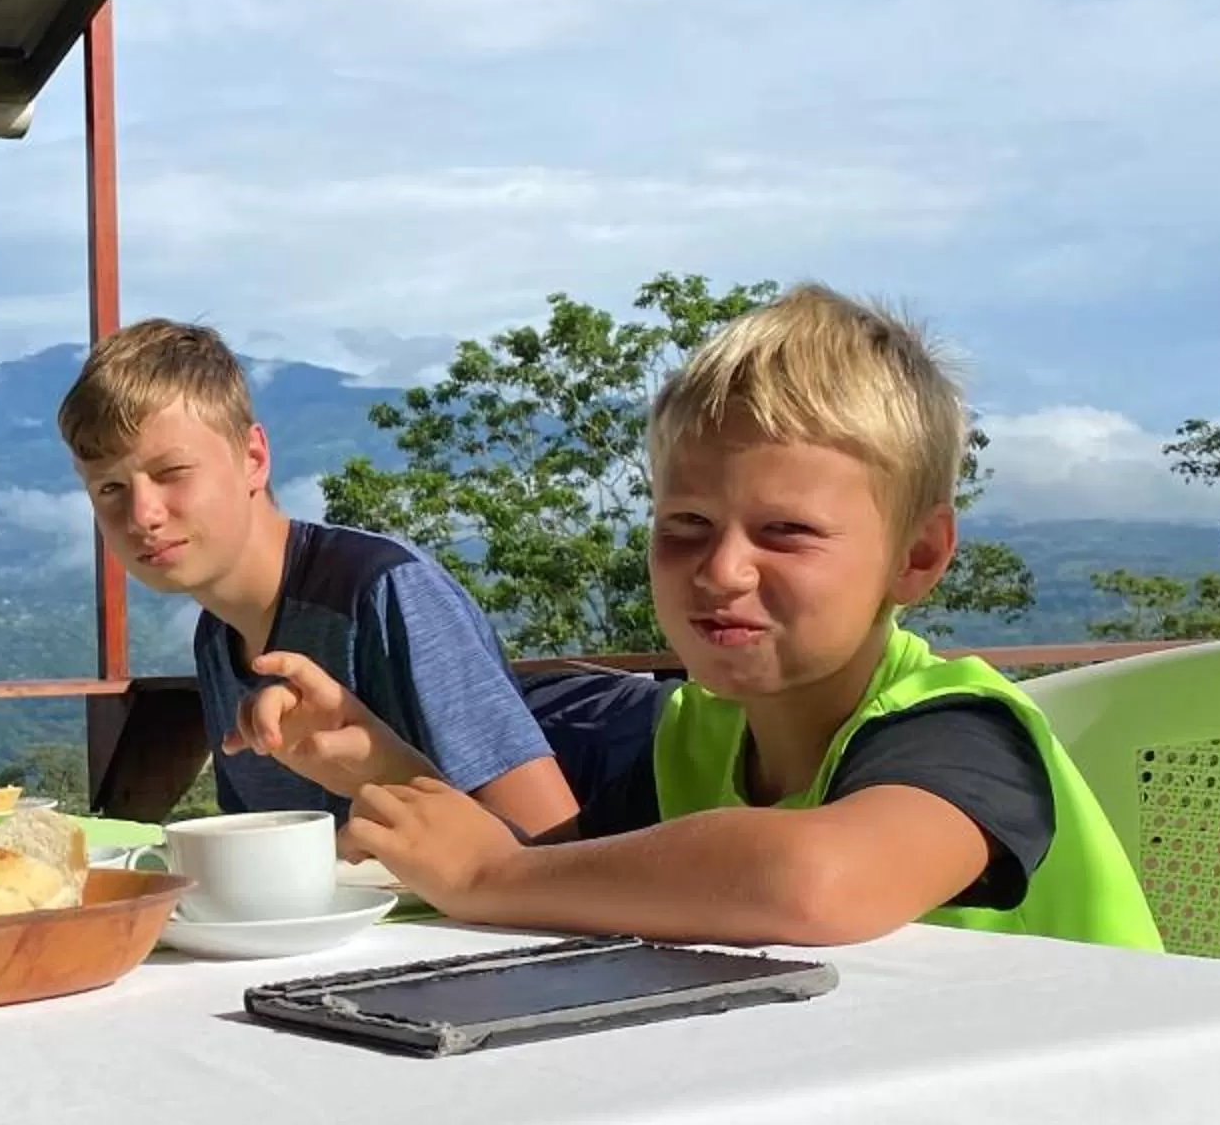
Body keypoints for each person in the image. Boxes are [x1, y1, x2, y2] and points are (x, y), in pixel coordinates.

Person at [232, 286, 1163, 950]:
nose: (720, 570)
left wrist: (491, 879)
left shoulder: (959, 732)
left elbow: (812, 883)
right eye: (685, 526)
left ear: (916, 556)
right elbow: (580, 874)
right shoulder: (697, 738)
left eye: (786, 532)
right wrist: (384, 765)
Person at [57, 319, 581, 838]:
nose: (142, 514)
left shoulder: (383, 592)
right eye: (109, 489)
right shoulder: (217, 637)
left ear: (253, 459)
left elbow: (552, 842)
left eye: (171, 473)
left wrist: (385, 773)